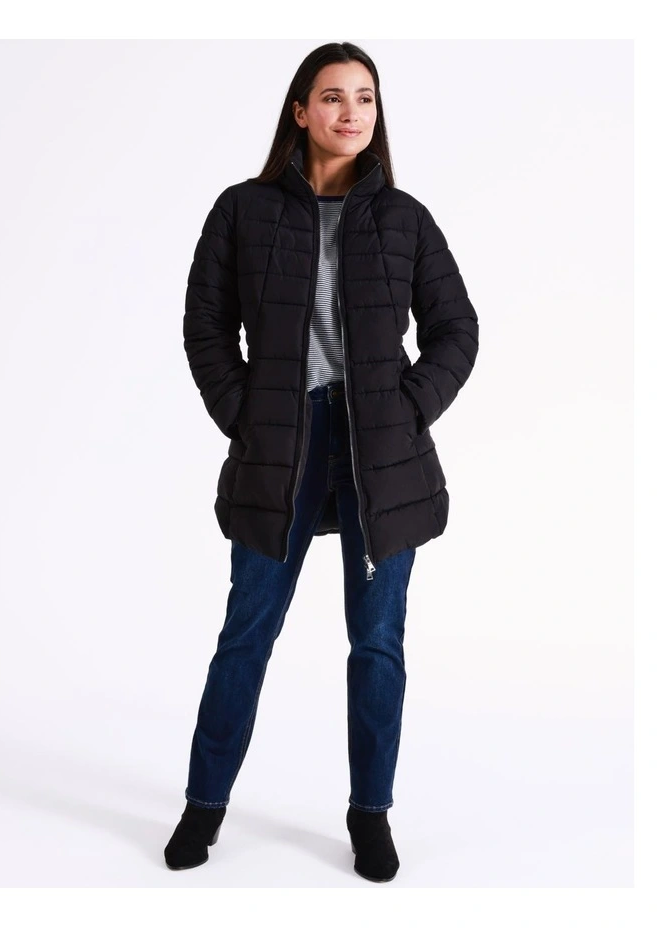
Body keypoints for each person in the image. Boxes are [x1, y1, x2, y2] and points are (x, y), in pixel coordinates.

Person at [165, 41, 479, 882]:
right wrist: (245, 417)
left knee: (377, 642)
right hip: (281, 445)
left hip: (381, 453)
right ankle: (203, 805)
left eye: (365, 97)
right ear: (300, 111)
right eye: (333, 96)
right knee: (246, 633)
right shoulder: (241, 210)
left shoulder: (404, 218)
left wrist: (407, 410)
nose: (351, 111)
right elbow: (204, 327)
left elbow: (457, 329)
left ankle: (370, 815)